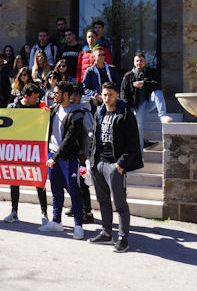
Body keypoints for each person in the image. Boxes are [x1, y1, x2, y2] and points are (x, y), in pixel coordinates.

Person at [88, 82, 143, 253]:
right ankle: (106, 233)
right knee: (103, 200)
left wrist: (120, 165)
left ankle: (123, 238)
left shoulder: (125, 114)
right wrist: (92, 161)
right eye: (104, 94)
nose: (107, 98)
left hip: (115, 165)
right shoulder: (99, 112)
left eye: (110, 94)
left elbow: (133, 144)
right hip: (99, 163)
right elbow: (95, 139)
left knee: (120, 204)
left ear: (117, 95)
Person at [2, 83, 51, 228]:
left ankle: (44, 213)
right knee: (14, 180)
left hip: (34, 149)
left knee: (38, 181)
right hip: (16, 149)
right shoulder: (12, 107)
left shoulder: (39, 107)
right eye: (34, 97)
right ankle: (14, 212)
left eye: (38, 97)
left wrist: (45, 111)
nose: (37, 99)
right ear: (25, 97)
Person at [42, 82, 85, 240]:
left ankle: (78, 225)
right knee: (56, 190)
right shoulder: (53, 110)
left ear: (66, 95)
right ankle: (56, 221)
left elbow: (70, 139)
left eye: (57, 93)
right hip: (52, 156)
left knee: (74, 190)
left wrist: (55, 157)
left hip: (68, 158)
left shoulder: (77, 113)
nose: (53, 96)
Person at [120, 52, 173, 149]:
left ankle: (162, 115)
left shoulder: (150, 73)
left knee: (158, 92)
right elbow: (123, 92)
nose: (139, 63)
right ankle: (140, 156)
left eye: (141, 61)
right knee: (138, 129)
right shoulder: (128, 75)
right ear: (134, 62)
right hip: (136, 106)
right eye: (137, 61)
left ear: (145, 62)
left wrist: (144, 83)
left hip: (148, 102)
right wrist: (127, 107)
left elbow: (158, 85)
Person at [66, 83, 95, 224]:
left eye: (76, 95)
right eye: (72, 94)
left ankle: (87, 211)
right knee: (72, 183)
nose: (73, 97)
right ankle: (75, 206)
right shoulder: (67, 109)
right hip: (70, 152)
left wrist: (86, 153)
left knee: (83, 184)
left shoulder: (84, 112)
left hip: (81, 153)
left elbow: (90, 133)